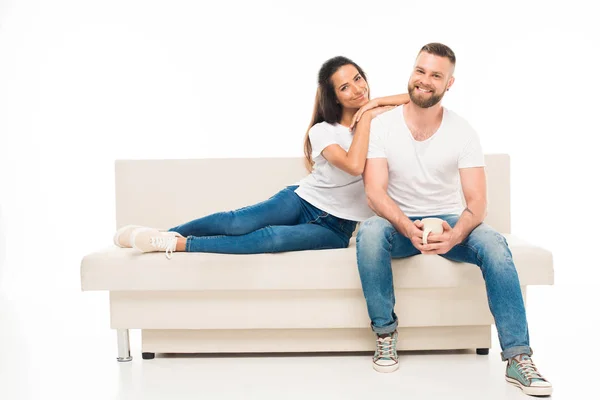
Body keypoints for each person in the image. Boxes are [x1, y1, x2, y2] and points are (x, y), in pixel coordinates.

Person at [355, 43, 552, 396]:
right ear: (411, 73)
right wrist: (405, 226)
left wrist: (455, 234)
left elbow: (477, 203)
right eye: (420, 71)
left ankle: (518, 358)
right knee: (370, 232)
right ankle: (385, 334)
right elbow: (374, 193)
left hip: (447, 220)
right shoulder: (383, 126)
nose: (425, 80)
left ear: (449, 83)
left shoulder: (463, 131)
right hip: (398, 225)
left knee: (493, 242)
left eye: (436, 75)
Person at [112, 56, 409, 258]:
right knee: (236, 223)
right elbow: (353, 164)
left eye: (359, 79)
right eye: (346, 86)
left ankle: (178, 244)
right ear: (333, 96)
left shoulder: (377, 119)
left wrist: (374, 104)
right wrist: (369, 117)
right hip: (302, 201)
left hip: (336, 228)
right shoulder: (323, 131)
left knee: (272, 239)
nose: (358, 89)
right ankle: (164, 234)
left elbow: (420, 96)